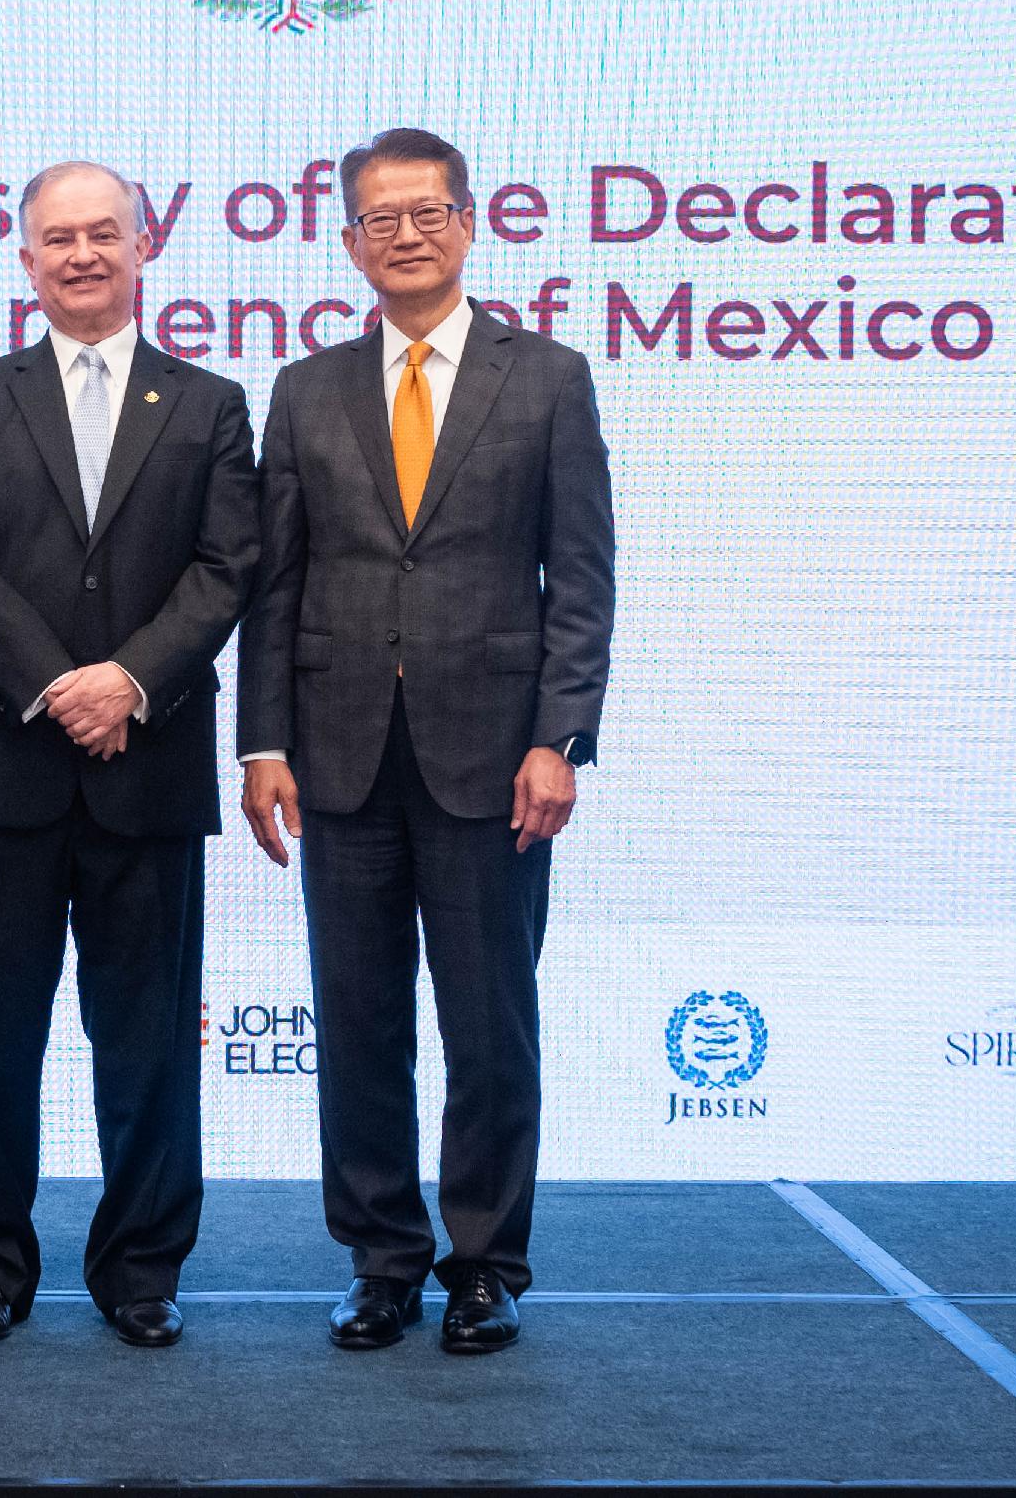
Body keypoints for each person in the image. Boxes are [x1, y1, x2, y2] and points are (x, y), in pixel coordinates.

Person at [240, 127, 613, 1357]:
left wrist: (561, 735)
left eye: (425, 211)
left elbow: (581, 579)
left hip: (492, 758)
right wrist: (263, 743)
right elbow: (274, 586)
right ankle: (382, 1258)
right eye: (377, 217)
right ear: (349, 241)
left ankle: (484, 1263)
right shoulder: (304, 388)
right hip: (340, 755)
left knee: (488, 1022)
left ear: (468, 221)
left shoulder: (547, 376)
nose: (403, 233)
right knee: (355, 1024)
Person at [0, 162, 258, 1349]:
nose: (80, 255)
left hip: (146, 767)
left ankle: (140, 1268)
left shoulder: (209, 403)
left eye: (101, 234)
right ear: (24, 260)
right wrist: (60, 685)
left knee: (150, 1041)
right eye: (56, 238)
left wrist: (132, 681)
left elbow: (226, 567)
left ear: (143, 245)